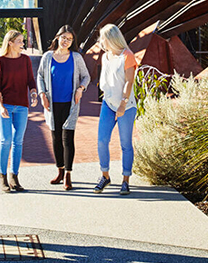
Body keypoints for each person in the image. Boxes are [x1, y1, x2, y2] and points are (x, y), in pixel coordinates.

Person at [36, 25, 90, 190]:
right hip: (52, 104)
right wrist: (42, 94)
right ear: (57, 37)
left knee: (68, 138)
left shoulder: (76, 57)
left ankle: (68, 174)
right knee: (56, 138)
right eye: (64, 37)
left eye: (70, 39)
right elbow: (40, 76)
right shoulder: (47, 57)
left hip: (70, 103)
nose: (66, 41)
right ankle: (59, 170)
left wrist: (81, 89)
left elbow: (86, 76)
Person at [94, 24, 137, 196]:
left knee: (125, 144)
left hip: (126, 105)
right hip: (108, 104)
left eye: (102, 37)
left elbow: (129, 81)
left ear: (110, 38)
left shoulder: (127, 56)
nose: (100, 41)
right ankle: (105, 176)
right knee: (102, 140)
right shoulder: (106, 57)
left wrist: (123, 103)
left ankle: (126, 180)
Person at [0, 29, 38, 192]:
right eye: (19, 41)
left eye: (22, 41)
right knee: (5, 140)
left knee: (18, 141)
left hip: (22, 106)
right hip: (4, 106)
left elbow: (30, 80)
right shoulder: (0, 61)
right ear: (10, 43)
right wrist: (1, 105)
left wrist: (33, 94)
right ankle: (2, 177)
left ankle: (14, 177)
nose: (22, 44)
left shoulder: (25, 60)